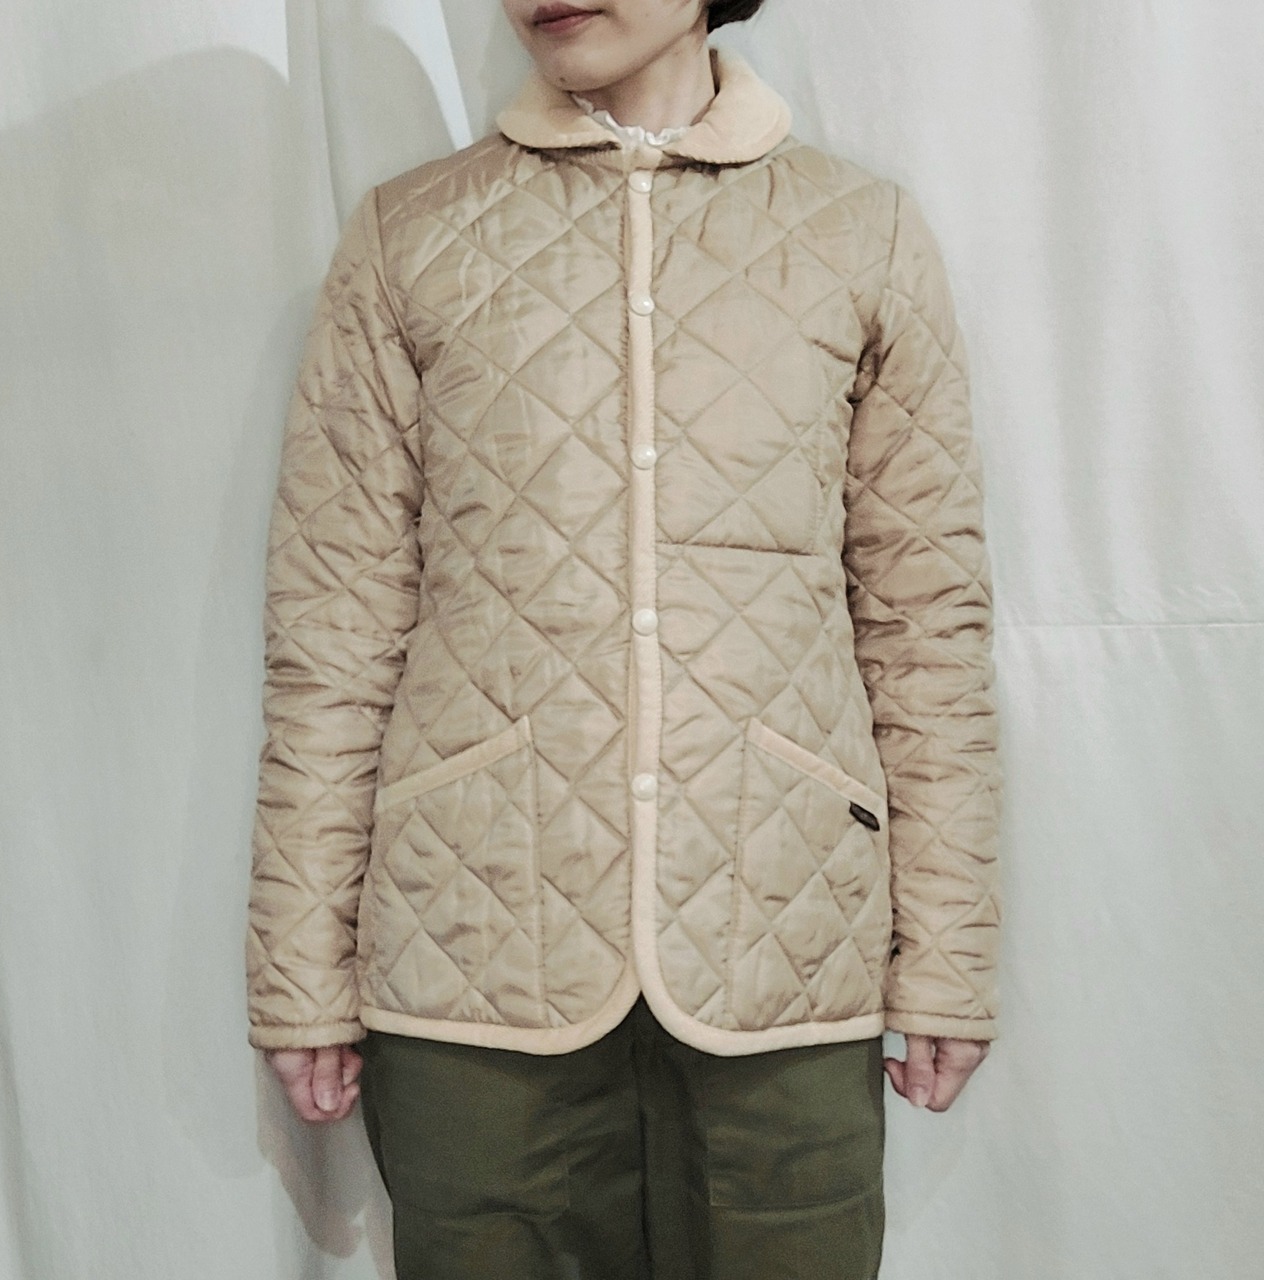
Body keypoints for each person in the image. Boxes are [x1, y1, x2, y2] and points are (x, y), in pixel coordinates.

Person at [245, 1, 1001, 1275]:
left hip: (784, 938)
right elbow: (334, 629)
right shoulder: (408, 237)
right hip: (471, 950)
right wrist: (299, 966)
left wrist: (946, 956)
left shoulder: (856, 235)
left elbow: (924, 626)